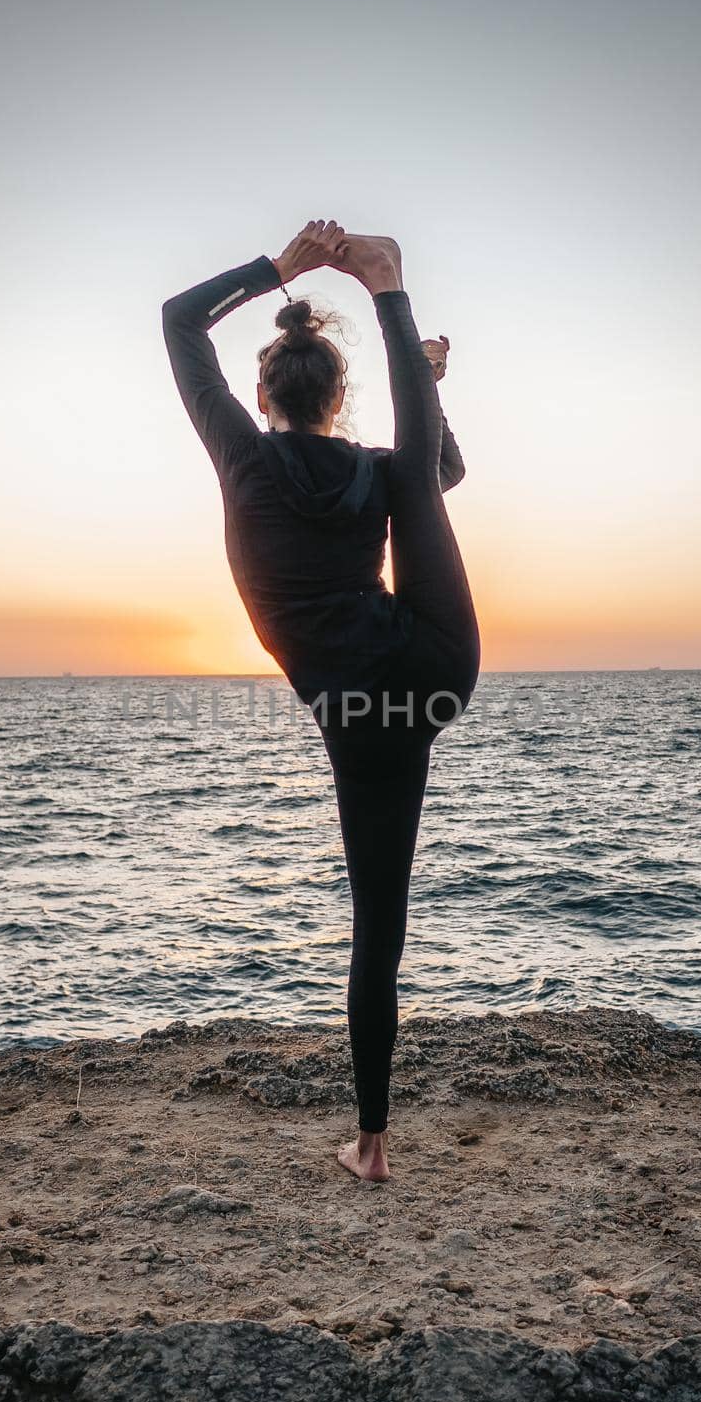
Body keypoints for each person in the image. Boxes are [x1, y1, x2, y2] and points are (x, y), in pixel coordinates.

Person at [162, 221, 480, 1181]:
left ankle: (372, 1148)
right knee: (417, 477)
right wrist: (424, 385)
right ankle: (390, 295)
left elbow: (181, 324)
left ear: (263, 394)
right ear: (340, 397)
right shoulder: (378, 472)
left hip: (369, 711)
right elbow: (443, 472)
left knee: (375, 924)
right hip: (439, 662)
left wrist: (280, 269)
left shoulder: (243, 458)